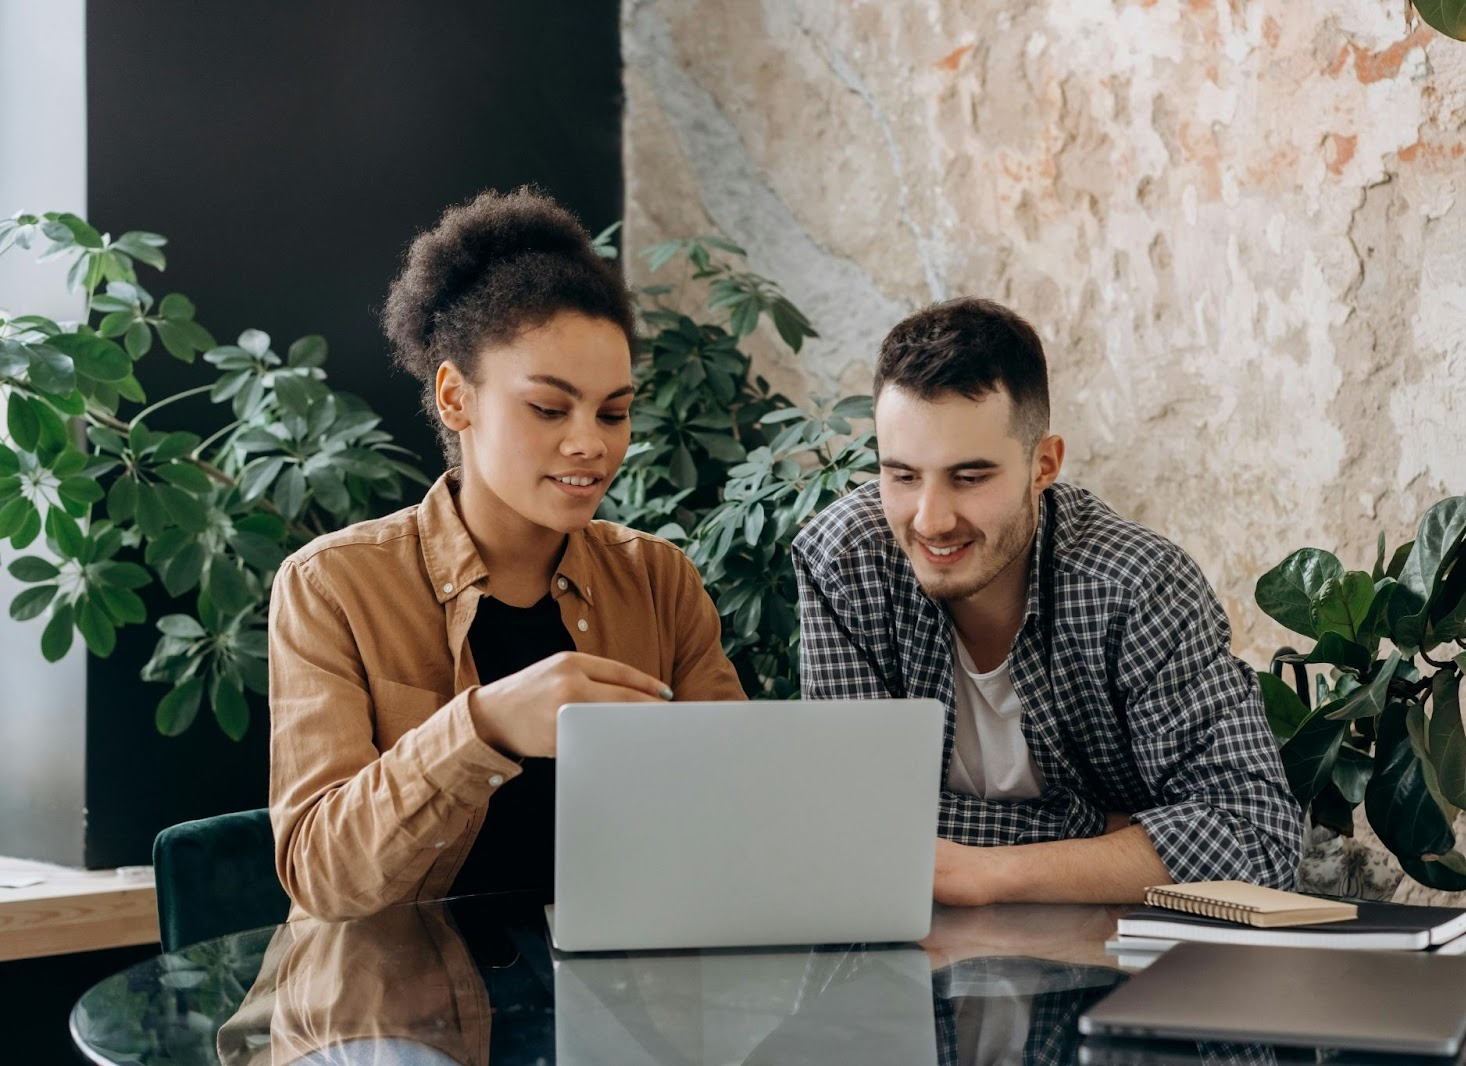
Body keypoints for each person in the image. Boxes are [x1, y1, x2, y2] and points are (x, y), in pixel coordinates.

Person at [269, 188, 744, 921]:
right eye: (549, 409)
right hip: (389, 1015)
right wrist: (482, 727)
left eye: (614, 411)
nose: (591, 442)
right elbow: (323, 876)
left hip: (614, 1009)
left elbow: (737, 818)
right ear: (457, 399)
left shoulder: (658, 581)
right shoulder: (333, 585)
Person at [791, 297, 1301, 905]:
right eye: (902, 476)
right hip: (911, 964)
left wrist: (988, 873)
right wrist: (1099, 829)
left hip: (1118, 973)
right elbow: (853, 831)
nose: (930, 520)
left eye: (970, 477)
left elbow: (1257, 838)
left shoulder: (1136, 585)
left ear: (1044, 465)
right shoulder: (844, 563)